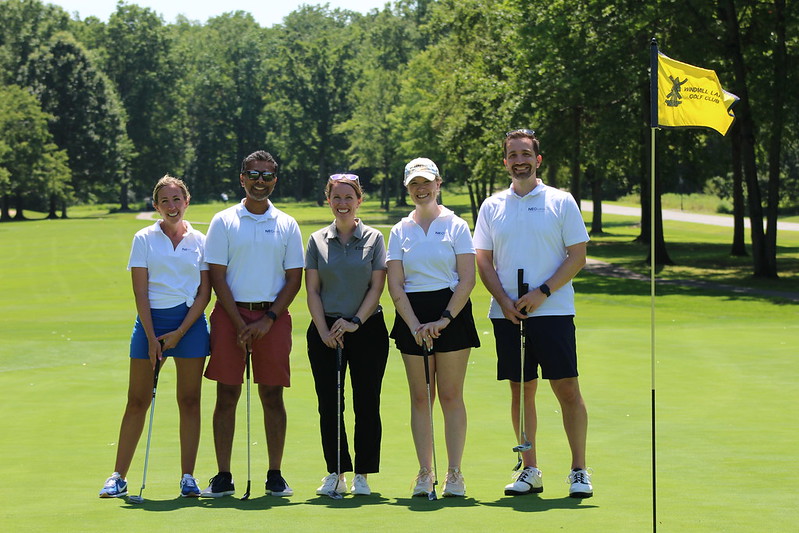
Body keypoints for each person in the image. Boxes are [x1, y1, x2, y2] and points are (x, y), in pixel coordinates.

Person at [473, 128, 593, 498]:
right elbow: (483, 260)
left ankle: (579, 470)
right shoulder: (492, 206)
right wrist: (505, 301)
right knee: (521, 392)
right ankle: (530, 470)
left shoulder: (561, 201)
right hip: (508, 315)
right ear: (505, 161)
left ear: (537, 160)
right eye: (513, 155)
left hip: (553, 312)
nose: (519, 160)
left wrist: (542, 293)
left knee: (567, 389)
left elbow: (577, 256)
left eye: (526, 154)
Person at [200, 150, 304, 498]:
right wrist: (239, 322)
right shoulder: (223, 220)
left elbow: (294, 279)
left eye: (268, 176)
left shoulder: (287, 223)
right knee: (226, 393)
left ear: (275, 180)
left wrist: (268, 319)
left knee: (272, 394)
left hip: (272, 318)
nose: (261, 181)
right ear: (242, 177)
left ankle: (274, 474)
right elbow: (217, 275)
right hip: (231, 316)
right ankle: (223, 475)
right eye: (254, 174)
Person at [100, 175, 211, 498]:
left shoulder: (201, 241)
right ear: (156, 206)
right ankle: (118, 476)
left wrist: (179, 332)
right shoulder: (144, 238)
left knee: (189, 401)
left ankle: (188, 477)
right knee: (138, 400)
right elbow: (140, 292)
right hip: (150, 323)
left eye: (177, 200)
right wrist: (152, 338)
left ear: (186, 202)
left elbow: (205, 293)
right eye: (165, 201)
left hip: (189, 325)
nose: (171, 207)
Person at [387, 157, 480, 498]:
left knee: (451, 395)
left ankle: (454, 473)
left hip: (450, 313)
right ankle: (426, 472)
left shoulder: (456, 225)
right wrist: (413, 324)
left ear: (438, 184)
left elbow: (467, 279)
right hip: (412, 314)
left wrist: (444, 318)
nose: (421, 188)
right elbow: (396, 284)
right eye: (414, 183)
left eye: (426, 182)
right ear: (407, 188)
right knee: (421, 397)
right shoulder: (400, 230)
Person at [305, 173, 389, 497]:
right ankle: (336, 471)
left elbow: (377, 287)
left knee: (367, 402)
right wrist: (324, 330)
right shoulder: (316, 240)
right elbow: (312, 290)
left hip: (366, 329)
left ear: (359, 201)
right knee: (329, 404)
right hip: (326, 331)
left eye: (348, 198)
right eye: (336, 198)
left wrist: (355, 320)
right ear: (329, 200)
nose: (342, 204)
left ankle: (363, 474)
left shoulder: (374, 238)